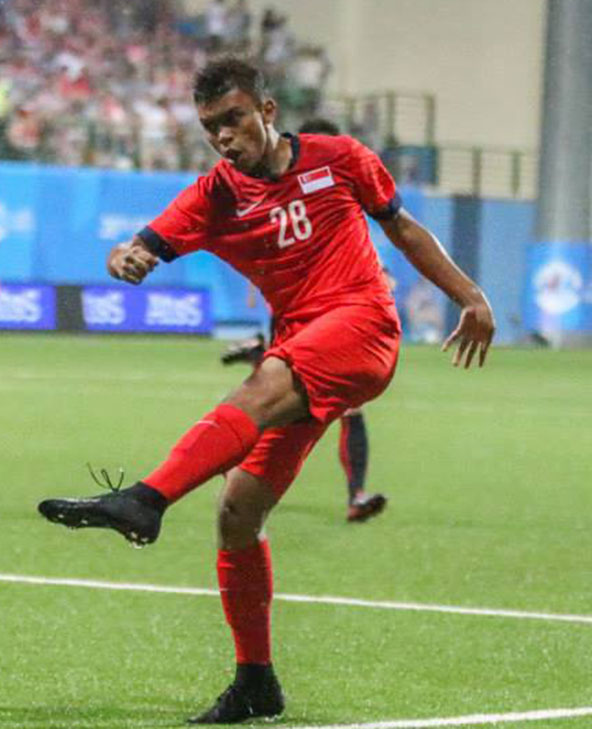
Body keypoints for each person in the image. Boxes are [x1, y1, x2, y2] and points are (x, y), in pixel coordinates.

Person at [37, 59, 494, 724]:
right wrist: (124, 258)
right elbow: (137, 245)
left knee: (260, 387)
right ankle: (256, 681)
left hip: (363, 327)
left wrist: (471, 296)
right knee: (237, 513)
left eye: (233, 119)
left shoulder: (340, 159)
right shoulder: (214, 197)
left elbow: (403, 230)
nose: (223, 136)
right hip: (299, 347)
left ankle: (144, 499)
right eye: (210, 127)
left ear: (267, 112)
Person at [219, 116, 387, 523]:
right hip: (304, 324)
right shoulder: (282, 191)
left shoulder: (335, 198)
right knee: (269, 411)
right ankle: (227, 474)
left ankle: (355, 494)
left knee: (343, 409)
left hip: (333, 325)